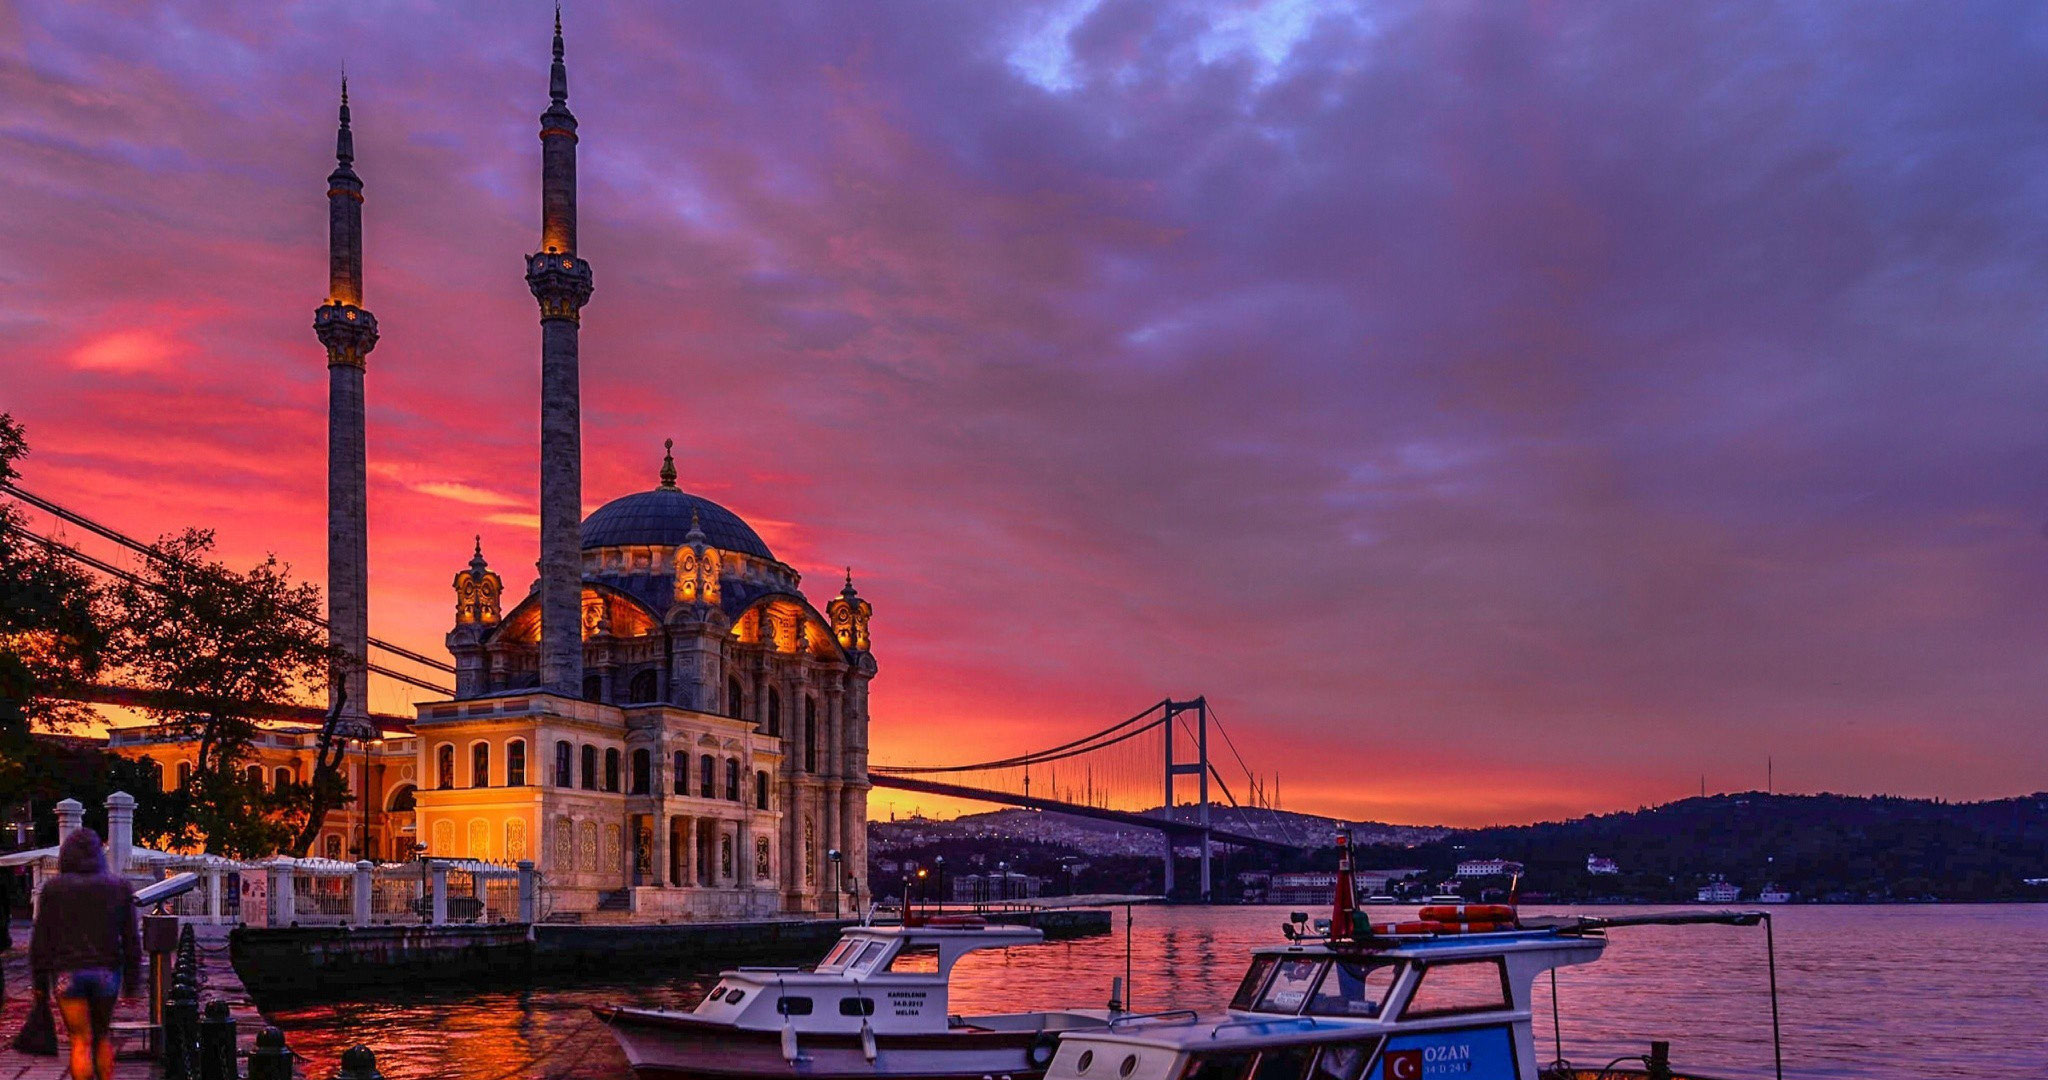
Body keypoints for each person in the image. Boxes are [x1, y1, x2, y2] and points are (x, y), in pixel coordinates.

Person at [29, 829, 139, 1080]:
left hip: (68, 972)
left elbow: (41, 940)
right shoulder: (119, 887)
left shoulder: (54, 889)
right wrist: (132, 983)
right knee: (102, 1036)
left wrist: (40, 984)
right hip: (106, 971)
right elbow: (131, 939)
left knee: (79, 1039)